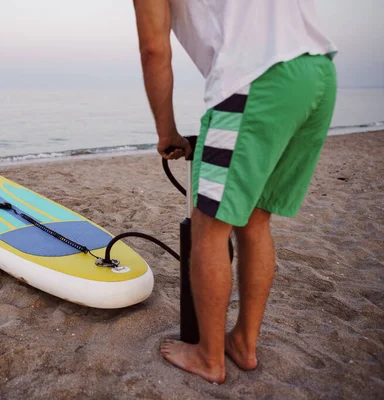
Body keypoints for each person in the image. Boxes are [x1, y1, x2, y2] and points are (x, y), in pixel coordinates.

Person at [132, 0, 337, 383]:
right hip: (317, 72)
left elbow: (153, 49)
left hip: (255, 79)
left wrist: (166, 132)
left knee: (208, 229)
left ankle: (209, 358)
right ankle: (242, 343)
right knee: (255, 219)